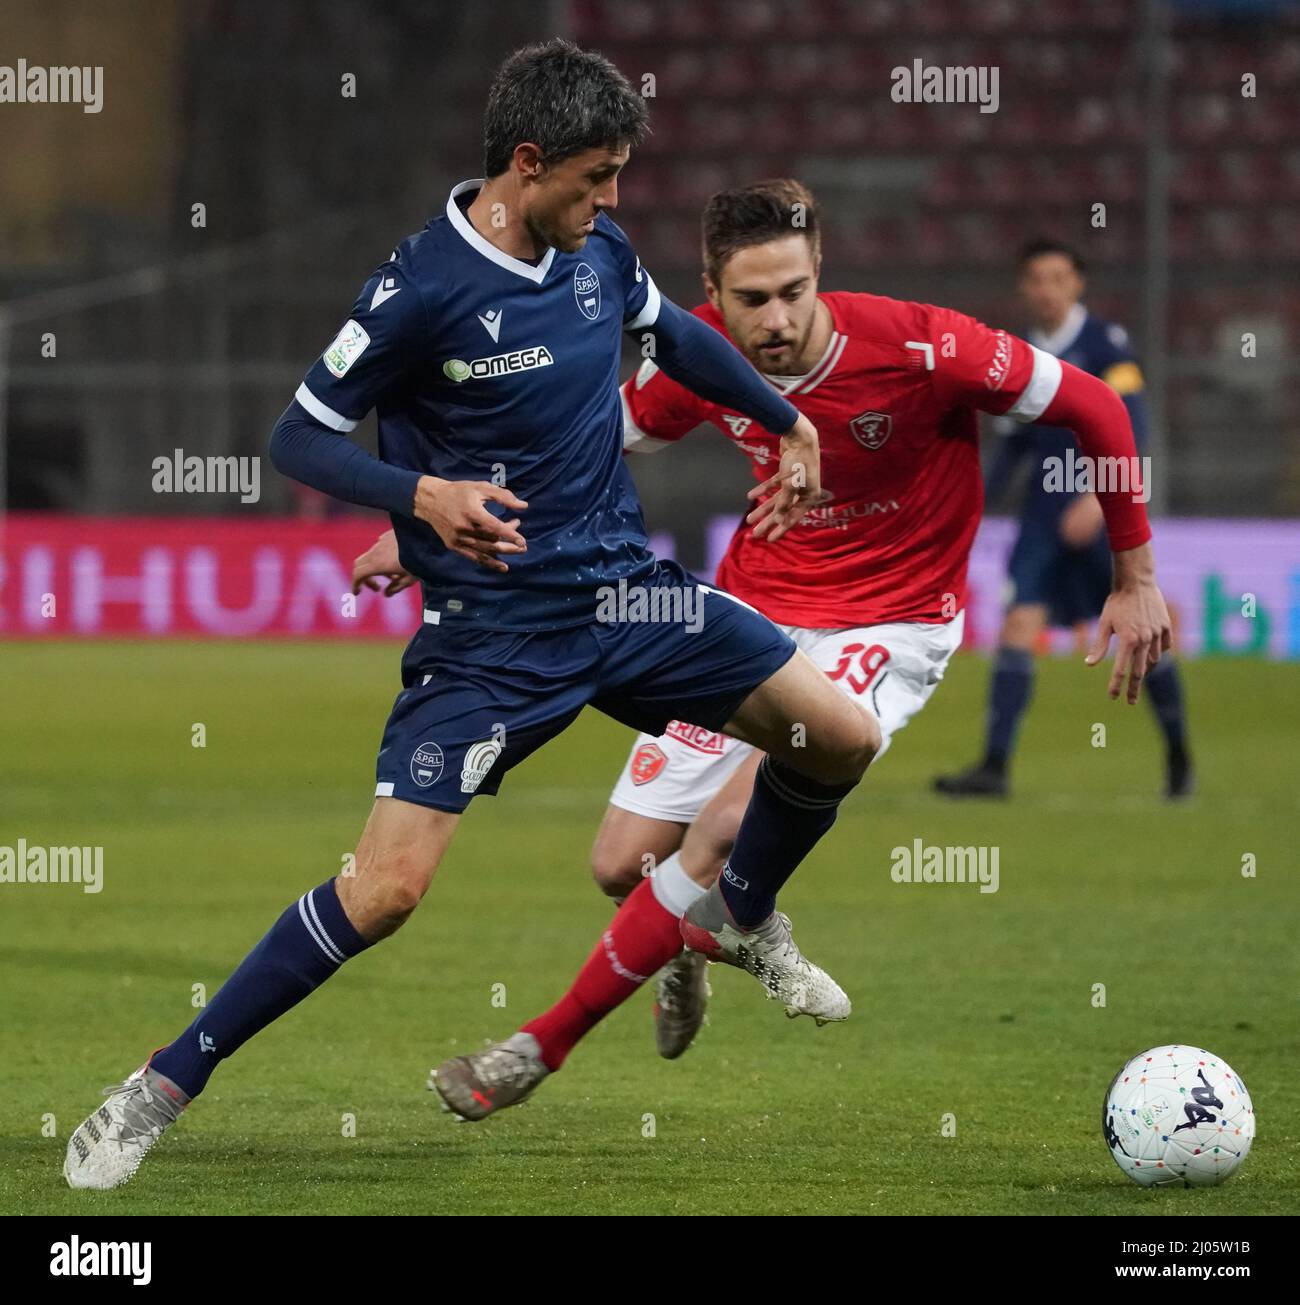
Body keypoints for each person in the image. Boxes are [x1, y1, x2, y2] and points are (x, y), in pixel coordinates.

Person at [62, 44, 880, 1191]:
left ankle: (740, 911)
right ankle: (161, 1083)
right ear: (526, 164)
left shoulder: (597, 251)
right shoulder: (419, 289)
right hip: (493, 639)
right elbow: (296, 437)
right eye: (594, 179)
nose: (610, 203)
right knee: (385, 891)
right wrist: (422, 499)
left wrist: (781, 417)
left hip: (625, 594)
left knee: (840, 737)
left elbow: (675, 337)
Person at [352, 183, 1172, 1121]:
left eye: (794, 290)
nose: (777, 319)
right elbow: (582, 444)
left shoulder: (921, 344)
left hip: (889, 621)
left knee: (722, 832)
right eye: (752, 300)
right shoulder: (695, 354)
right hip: (750, 609)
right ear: (711, 291)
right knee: (621, 863)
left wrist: (1134, 575)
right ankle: (739, 931)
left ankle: (536, 1048)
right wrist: (428, 523)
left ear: (819, 266)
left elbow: (1098, 408)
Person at [934, 239, 1193, 799]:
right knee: (1018, 625)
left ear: (1077, 284)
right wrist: (970, 505)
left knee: (1142, 633)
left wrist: (1101, 500)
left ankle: (1178, 754)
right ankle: (995, 768)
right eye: (1036, 279)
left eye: (1058, 278)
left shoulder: (1106, 344)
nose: (1047, 289)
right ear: (1024, 289)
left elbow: (1133, 427)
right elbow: (1015, 448)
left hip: (1100, 514)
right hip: (1042, 517)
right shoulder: (1019, 352)